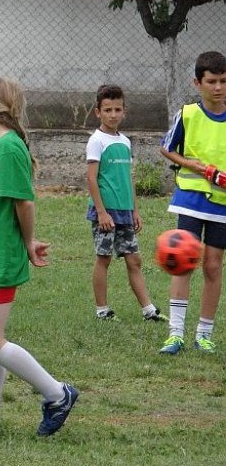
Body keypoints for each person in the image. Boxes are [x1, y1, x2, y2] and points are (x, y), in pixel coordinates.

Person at [0, 78, 78, 439]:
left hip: (0, 257)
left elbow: (24, 202)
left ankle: (57, 394)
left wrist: (28, 242)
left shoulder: (8, 148)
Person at [158, 51, 226, 355]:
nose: (218, 87)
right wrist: (195, 166)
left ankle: (204, 334)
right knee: (183, 262)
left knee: (213, 266)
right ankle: (175, 333)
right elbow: (167, 149)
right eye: (211, 81)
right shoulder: (187, 114)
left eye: (223, 81)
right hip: (190, 200)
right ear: (197, 82)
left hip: (222, 204)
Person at [86, 84, 167, 322]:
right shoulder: (96, 141)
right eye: (108, 109)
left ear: (124, 111)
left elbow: (128, 177)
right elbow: (92, 178)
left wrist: (134, 210)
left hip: (124, 213)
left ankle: (148, 310)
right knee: (104, 258)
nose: (113, 115)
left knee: (134, 259)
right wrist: (101, 212)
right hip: (105, 213)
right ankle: (102, 310)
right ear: (98, 112)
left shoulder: (125, 141)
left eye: (117, 109)